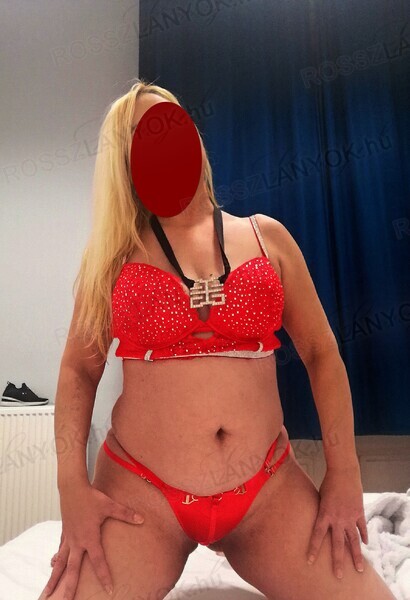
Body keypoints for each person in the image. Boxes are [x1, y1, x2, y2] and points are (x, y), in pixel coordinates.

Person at [39, 78, 395, 600]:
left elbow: (321, 354)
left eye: (168, 124)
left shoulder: (266, 237)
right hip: (142, 494)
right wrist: (71, 487)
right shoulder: (113, 257)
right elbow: (78, 371)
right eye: (140, 134)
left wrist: (344, 472)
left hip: (266, 494)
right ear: (123, 158)